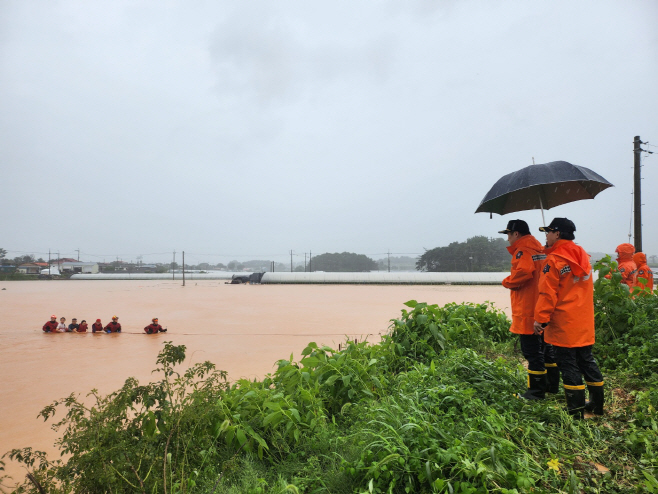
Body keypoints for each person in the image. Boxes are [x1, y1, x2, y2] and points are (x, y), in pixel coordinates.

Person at [534, 218, 604, 417]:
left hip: (564, 323)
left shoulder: (554, 261)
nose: (545, 236)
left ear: (557, 234)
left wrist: (540, 319)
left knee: (568, 365)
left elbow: (548, 295)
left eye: (547, 232)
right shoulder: (584, 257)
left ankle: (575, 412)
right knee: (587, 360)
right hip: (583, 321)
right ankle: (597, 406)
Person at [499, 219, 557, 399]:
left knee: (532, 352)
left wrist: (507, 282)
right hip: (542, 308)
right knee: (546, 349)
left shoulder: (522, 251)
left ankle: (536, 392)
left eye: (508, 234)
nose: (507, 239)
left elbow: (524, 271)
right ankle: (551, 386)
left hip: (527, 310)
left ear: (516, 234)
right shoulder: (541, 250)